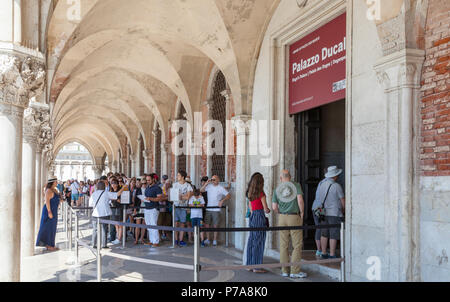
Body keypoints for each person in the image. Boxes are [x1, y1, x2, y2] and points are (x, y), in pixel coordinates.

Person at [272, 169, 307, 278]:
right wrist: (302, 212)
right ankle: (294, 271)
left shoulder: (277, 189)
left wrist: (281, 213)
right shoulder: (296, 185)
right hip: (294, 216)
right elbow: (300, 200)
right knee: (296, 245)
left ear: (281, 178)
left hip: (282, 217)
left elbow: (274, 207)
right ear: (290, 177)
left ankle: (284, 270)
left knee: (283, 245)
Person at [312, 166, 345, 259]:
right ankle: (332, 253)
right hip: (334, 212)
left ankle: (323, 252)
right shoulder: (336, 186)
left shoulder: (321, 184)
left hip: (323, 212)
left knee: (324, 233)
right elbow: (342, 200)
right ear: (335, 176)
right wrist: (344, 210)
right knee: (333, 233)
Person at [245, 173, 270, 273]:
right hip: (259, 216)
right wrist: (268, 210)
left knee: (251, 241)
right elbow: (265, 209)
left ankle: (249, 265)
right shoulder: (261, 194)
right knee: (259, 242)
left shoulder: (249, 193)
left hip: (252, 216)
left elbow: (251, 209)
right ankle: (257, 267)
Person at [90, 181, 126, 249]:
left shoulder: (93, 194)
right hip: (104, 214)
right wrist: (123, 187)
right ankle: (104, 244)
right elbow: (117, 194)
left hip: (95, 214)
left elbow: (90, 204)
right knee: (104, 229)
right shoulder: (106, 193)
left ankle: (94, 244)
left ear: (97, 187)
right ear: (104, 187)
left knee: (95, 229)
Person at [200, 175, 231, 246]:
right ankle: (208, 239)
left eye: (214, 179)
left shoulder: (220, 188)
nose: (213, 181)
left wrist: (222, 201)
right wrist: (206, 183)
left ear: (218, 180)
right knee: (207, 225)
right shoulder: (209, 186)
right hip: (208, 208)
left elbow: (228, 195)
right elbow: (201, 190)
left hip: (216, 209)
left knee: (215, 225)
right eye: (212, 179)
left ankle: (215, 240)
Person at [36, 177, 63, 251]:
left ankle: (51, 244)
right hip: (49, 210)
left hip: (54, 210)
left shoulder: (55, 190)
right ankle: (47, 245)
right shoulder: (48, 190)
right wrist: (49, 212)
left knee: (53, 228)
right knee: (47, 227)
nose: (57, 183)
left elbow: (59, 199)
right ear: (52, 182)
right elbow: (47, 201)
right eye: (55, 182)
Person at [172, 170, 193, 247]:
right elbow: (174, 196)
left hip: (184, 207)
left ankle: (181, 240)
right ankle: (176, 239)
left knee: (182, 224)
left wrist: (180, 196)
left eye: (178, 175)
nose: (177, 177)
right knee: (176, 223)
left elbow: (188, 197)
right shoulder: (175, 185)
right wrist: (182, 196)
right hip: (176, 206)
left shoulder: (188, 185)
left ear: (182, 177)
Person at [144, 173, 163, 247]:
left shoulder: (157, 188)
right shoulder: (147, 187)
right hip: (147, 208)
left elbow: (160, 198)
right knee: (148, 225)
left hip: (154, 208)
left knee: (153, 224)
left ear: (153, 179)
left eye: (149, 180)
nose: (147, 181)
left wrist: (150, 199)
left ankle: (156, 241)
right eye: (147, 180)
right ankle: (151, 240)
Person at [133, 178, 148, 244]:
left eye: (145, 183)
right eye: (143, 183)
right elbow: (135, 200)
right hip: (139, 208)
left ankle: (141, 239)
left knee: (144, 225)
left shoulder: (148, 190)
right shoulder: (138, 190)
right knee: (137, 225)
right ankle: (136, 239)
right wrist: (135, 209)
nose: (144, 185)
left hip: (146, 208)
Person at [158, 175, 171, 241]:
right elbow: (160, 197)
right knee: (160, 222)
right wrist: (166, 197)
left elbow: (171, 197)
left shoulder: (171, 188)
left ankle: (166, 234)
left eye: (168, 183)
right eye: (166, 181)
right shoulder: (160, 187)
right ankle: (160, 235)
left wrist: (166, 197)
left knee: (168, 222)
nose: (167, 183)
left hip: (169, 208)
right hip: (161, 208)